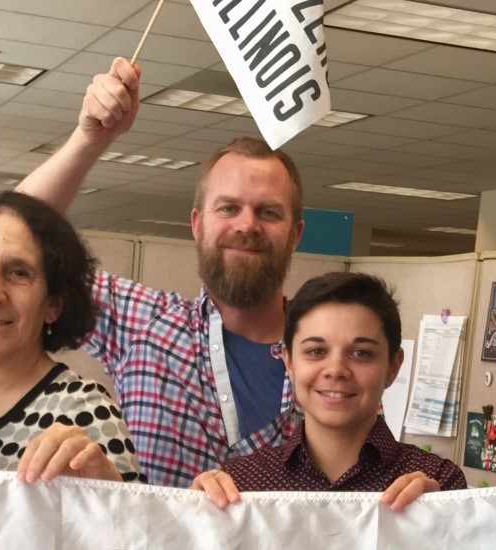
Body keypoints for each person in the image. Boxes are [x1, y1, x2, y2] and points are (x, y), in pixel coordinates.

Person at [18, 57, 303, 487]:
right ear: (197, 224)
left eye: (267, 212)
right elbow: (16, 233)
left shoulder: (328, 356)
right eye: (228, 208)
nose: (247, 225)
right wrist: (90, 138)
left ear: (295, 233)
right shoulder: (142, 323)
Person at [0, 190, 141, 483]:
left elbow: (131, 526)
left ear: (53, 305)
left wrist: (107, 484)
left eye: (19, 273)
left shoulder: (84, 410)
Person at [193, 272, 465, 506]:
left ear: (393, 366)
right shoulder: (241, 484)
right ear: (289, 361)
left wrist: (446, 517)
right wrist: (193, 515)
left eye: (361, 352)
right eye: (316, 351)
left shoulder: (439, 483)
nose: (336, 369)